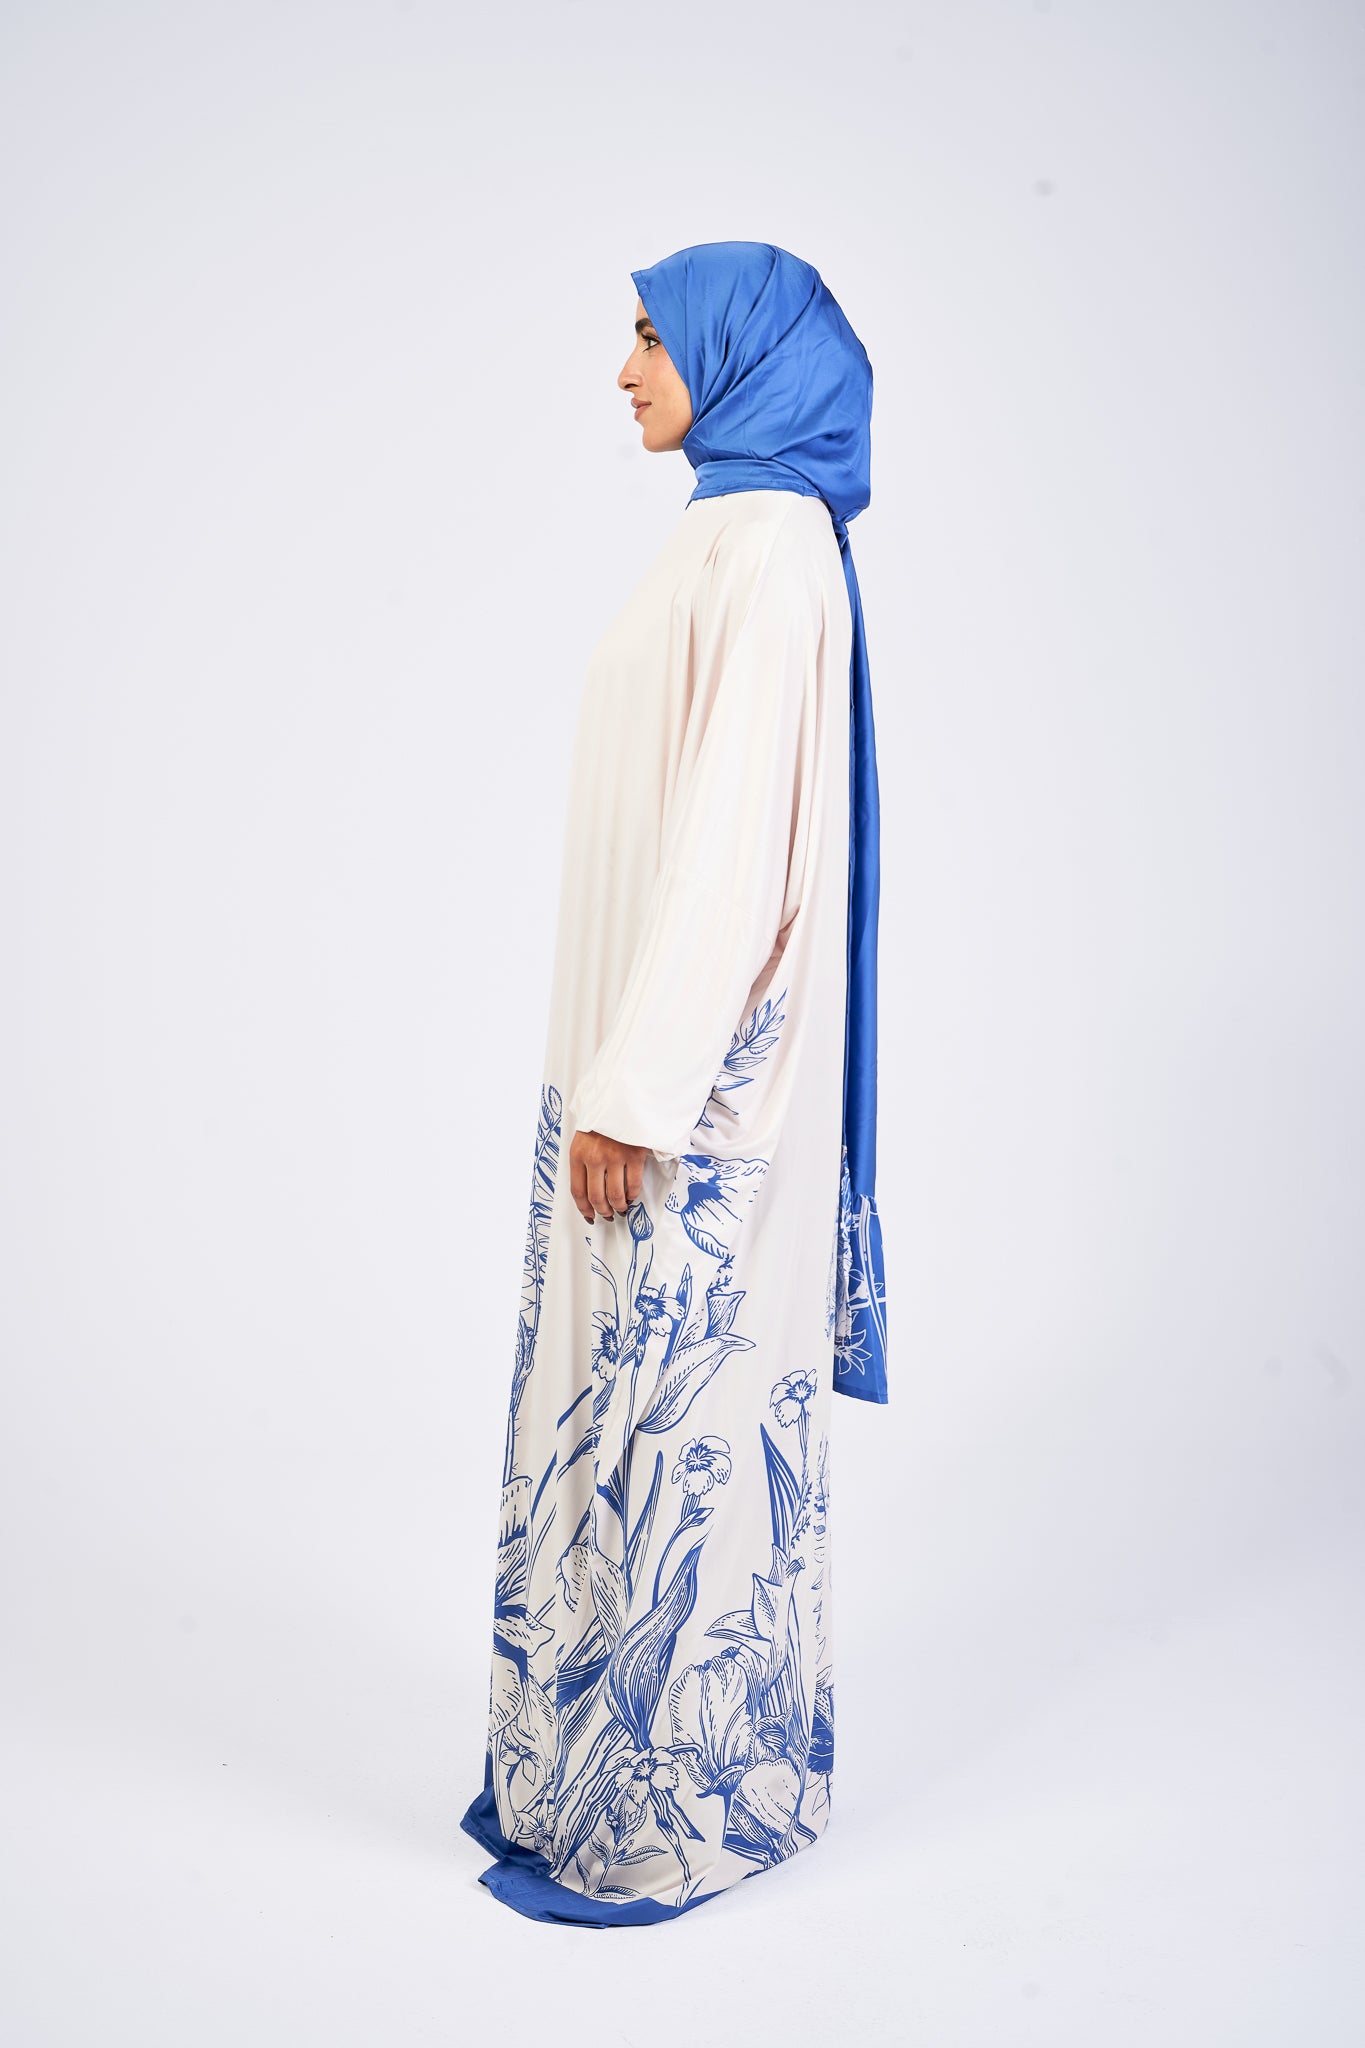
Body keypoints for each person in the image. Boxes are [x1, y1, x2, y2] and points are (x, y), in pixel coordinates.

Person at [460, 241, 888, 1926]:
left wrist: (635, 1093)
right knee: (609, 1414)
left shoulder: (770, 547)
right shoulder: (723, 531)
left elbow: (732, 852)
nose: (626, 369)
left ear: (735, 348)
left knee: (673, 1425)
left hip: (687, 1098)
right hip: (636, 1061)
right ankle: (575, 1779)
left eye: (651, 335)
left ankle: (678, 1820)